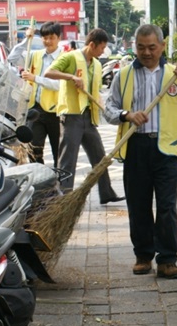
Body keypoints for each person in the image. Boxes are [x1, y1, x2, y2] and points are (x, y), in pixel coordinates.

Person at [104, 24, 177, 279]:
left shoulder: (174, 74)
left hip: (166, 148)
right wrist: (127, 115)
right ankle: (143, 256)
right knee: (138, 205)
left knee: (168, 206)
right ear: (134, 46)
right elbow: (109, 109)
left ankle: (168, 259)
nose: (146, 52)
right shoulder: (123, 75)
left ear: (161, 46)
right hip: (135, 145)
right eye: (141, 47)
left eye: (151, 47)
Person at [43, 28, 123, 205]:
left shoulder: (96, 64)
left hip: (89, 116)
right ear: (92, 45)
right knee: (68, 160)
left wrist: (104, 107)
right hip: (71, 116)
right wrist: (71, 76)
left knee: (100, 156)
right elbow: (48, 72)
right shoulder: (70, 57)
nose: (103, 52)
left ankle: (106, 192)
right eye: (101, 48)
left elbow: (96, 91)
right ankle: (64, 198)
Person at [16, 21, 63, 167]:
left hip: (57, 112)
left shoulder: (65, 58)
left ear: (59, 38)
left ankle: (60, 185)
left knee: (59, 152)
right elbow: (12, 58)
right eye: (44, 38)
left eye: (52, 38)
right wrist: (26, 39)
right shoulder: (35, 55)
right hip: (35, 110)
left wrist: (35, 78)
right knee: (34, 150)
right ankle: (41, 183)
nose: (48, 41)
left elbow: (60, 85)